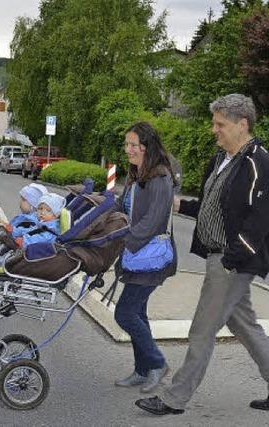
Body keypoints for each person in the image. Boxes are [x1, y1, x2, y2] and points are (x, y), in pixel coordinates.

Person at [136, 94, 269, 416]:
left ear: (242, 124)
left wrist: (231, 260)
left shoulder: (259, 163)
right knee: (245, 326)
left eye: (220, 124)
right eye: (214, 123)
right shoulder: (221, 159)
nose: (214, 130)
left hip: (231, 261)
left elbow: (260, 220)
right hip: (219, 255)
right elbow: (214, 207)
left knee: (201, 330)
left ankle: (174, 398)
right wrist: (181, 204)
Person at [113, 122, 177, 394]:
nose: (128, 150)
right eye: (126, 144)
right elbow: (121, 208)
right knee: (137, 312)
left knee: (125, 313)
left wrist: (123, 241)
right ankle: (143, 370)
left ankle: (158, 363)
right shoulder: (136, 175)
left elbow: (154, 220)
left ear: (146, 147)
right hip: (137, 256)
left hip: (151, 257)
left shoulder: (160, 178)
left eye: (132, 145)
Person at [0, 193, 66, 266]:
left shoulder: (52, 229)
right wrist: (13, 230)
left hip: (37, 253)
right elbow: (30, 230)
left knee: (13, 254)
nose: (42, 212)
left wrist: (24, 241)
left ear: (55, 214)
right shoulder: (44, 224)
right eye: (40, 208)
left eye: (48, 210)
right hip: (30, 248)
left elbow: (40, 239)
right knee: (8, 247)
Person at [0, 183, 48, 260]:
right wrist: (6, 226)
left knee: (6, 242)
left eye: (24, 200)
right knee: (3, 238)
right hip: (12, 242)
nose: (20, 202)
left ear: (33, 205)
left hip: (15, 247)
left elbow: (22, 233)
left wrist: (5, 229)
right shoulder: (25, 217)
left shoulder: (30, 221)